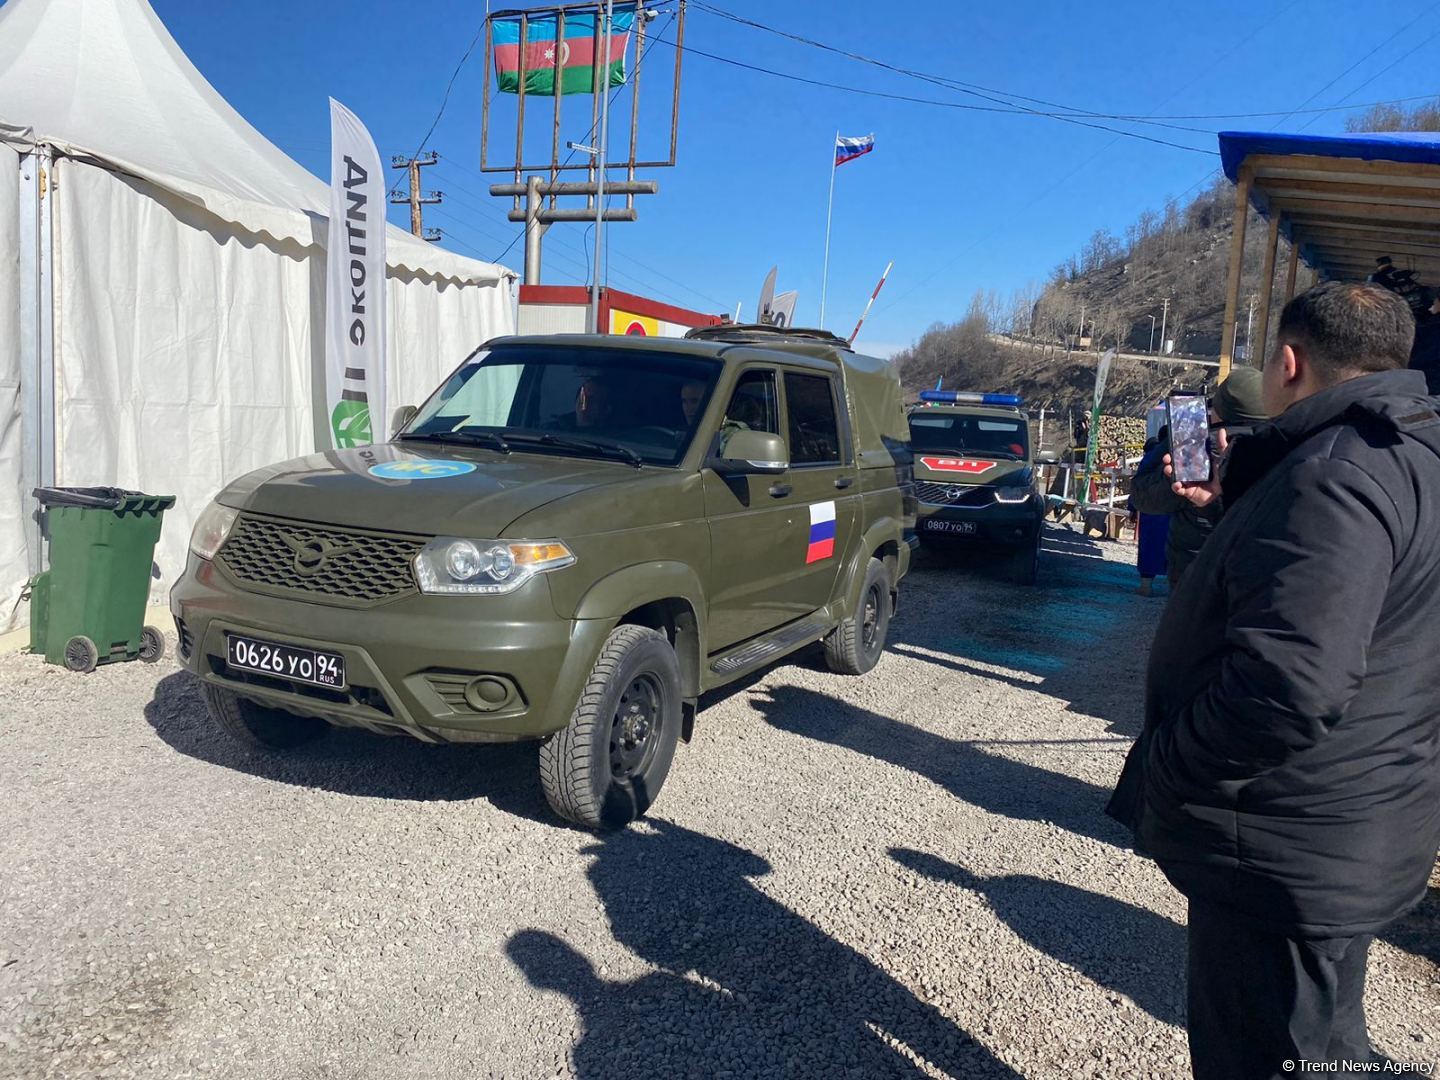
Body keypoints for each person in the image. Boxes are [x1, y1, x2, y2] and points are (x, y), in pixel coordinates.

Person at [1108, 282, 1440, 1078]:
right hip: (1357, 821)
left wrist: (1168, 769)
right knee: (1324, 1050)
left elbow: (1291, 684)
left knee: (1276, 1055)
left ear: (1289, 362)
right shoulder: (1413, 452)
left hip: (1286, 842)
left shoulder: (1332, 475)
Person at [1127, 367, 1267, 589]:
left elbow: (1144, 498)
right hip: (1258, 579)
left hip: (1195, 577)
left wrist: (1169, 470)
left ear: (1219, 407)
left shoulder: (1195, 442)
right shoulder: (1284, 446)